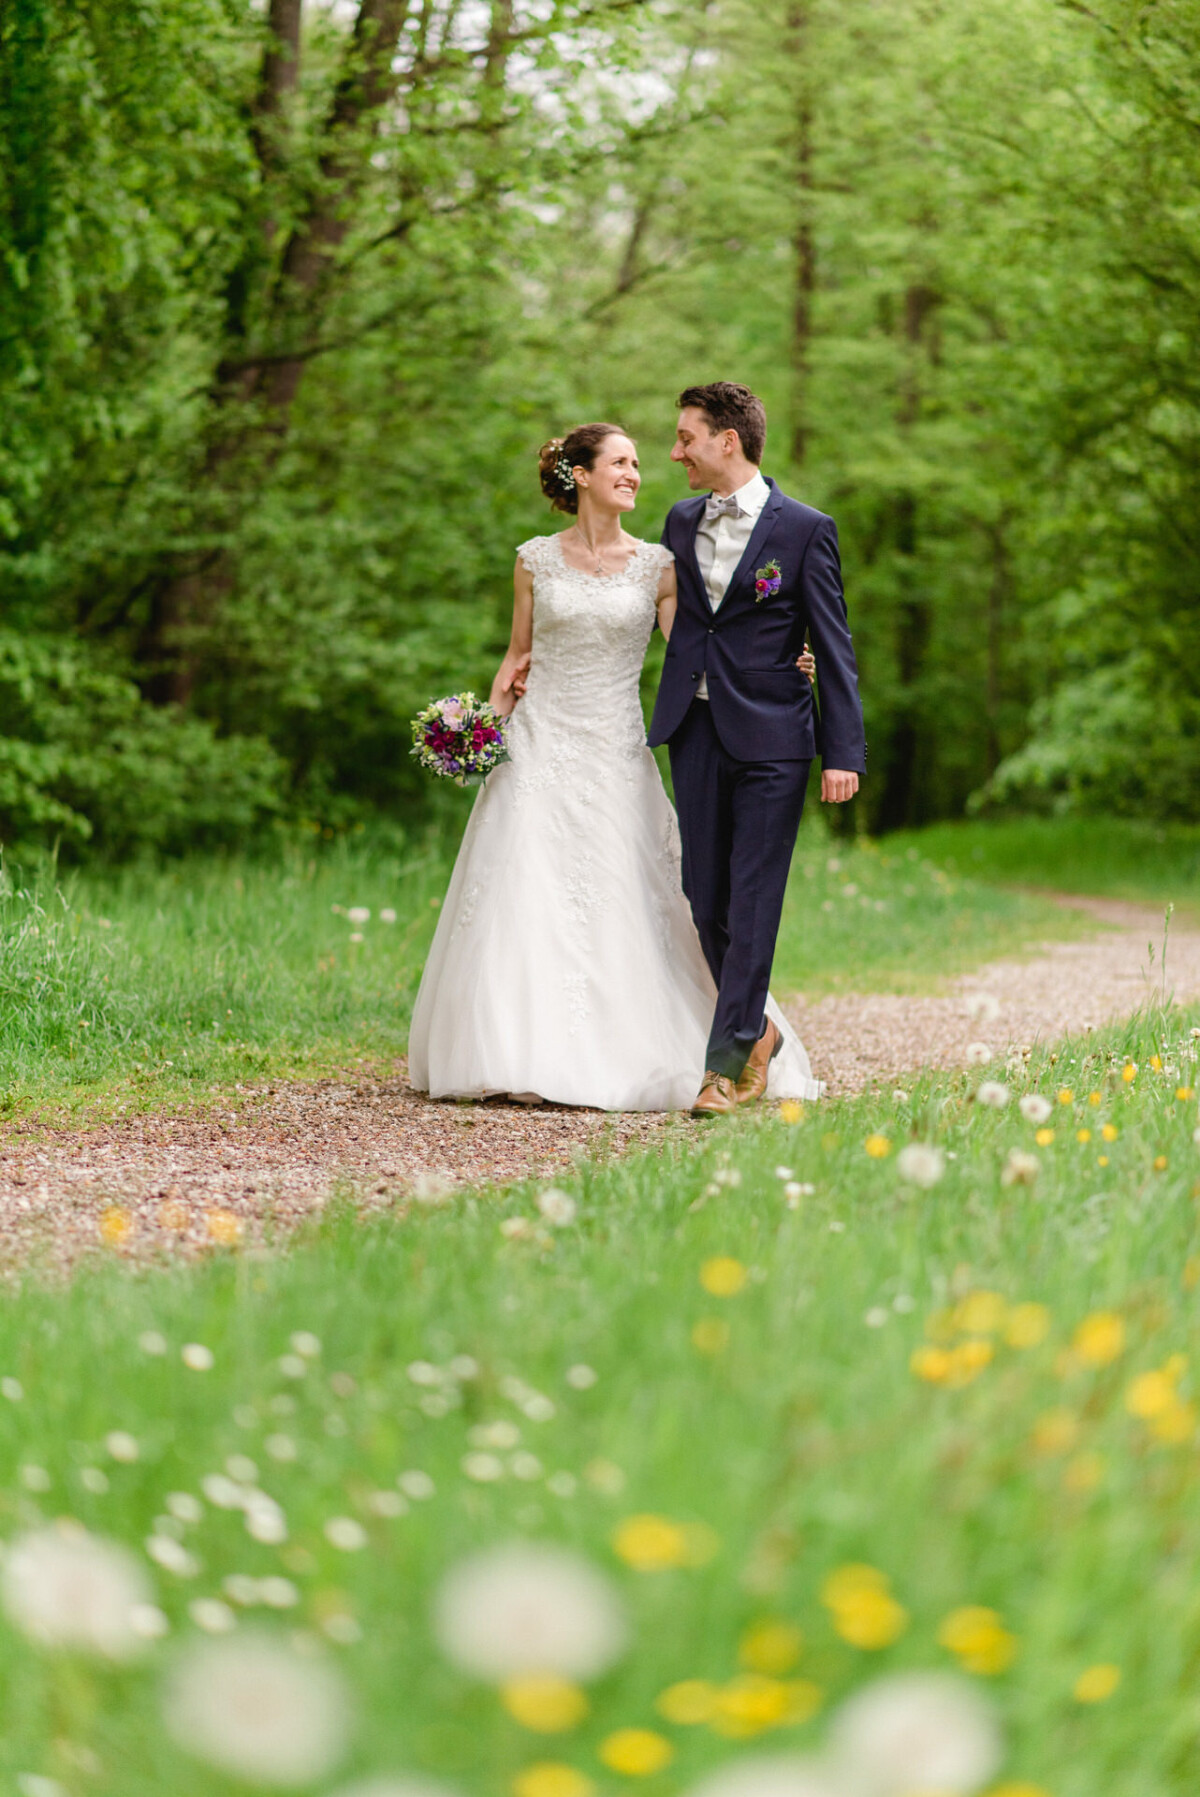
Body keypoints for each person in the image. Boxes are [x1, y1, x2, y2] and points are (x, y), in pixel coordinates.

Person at [406, 421, 822, 1111]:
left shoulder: (658, 565)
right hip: (538, 744)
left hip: (615, 748)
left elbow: (701, 648)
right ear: (582, 476)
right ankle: (512, 1050)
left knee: (633, 894)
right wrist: (478, 730)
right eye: (620, 463)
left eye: (636, 463)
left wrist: (785, 661)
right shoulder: (534, 560)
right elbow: (517, 658)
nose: (635, 473)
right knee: (523, 889)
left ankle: (730, 1037)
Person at [649, 382, 865, 1116]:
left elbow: (832, 644)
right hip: (695, 729)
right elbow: (680, 620)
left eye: (686, 438)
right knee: (703, 896)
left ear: (728, 440)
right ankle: (760, 1030)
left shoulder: (805, 529)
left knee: (753, 898)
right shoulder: (680, 521)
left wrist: (843, 750)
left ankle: (723, 1065)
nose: (675, 452)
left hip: (775, 738)